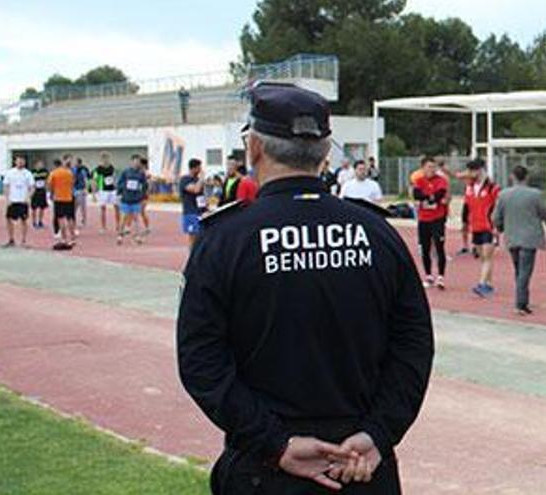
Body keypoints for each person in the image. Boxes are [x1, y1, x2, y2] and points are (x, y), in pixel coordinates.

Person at [177, 83, 434, 495]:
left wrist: (274, 442)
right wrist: (377, 434)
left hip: (268, 471)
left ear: (255, 147)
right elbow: (413, 346)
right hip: (361, 466)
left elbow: (201, 361)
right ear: (326, 150)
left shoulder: (225, 239)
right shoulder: (378, 234)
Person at [493, 165, 546, 316]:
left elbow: (496, 217)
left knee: (518, 270)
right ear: (526, 177)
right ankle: (521, 303)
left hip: (512, 236)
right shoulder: (535, 195)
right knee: (525, 271)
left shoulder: (504, 195)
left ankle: (522, 299)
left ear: (512, 177)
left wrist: (501, 227)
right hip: (529, 238)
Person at [465, 159, 501, 297]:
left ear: (479, 170)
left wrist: (497, 225)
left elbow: (499, 205)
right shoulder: (469, 187)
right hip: (475, 227)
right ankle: (489, 283)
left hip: (488, 226)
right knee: (482, 257)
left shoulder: (492, 187)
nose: (469, 173)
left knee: (487, 256)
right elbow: (468, 207)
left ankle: (482, 284)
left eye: (471, 170)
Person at [412, 156, 449, 289]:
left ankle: (441, 276)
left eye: (434, 167)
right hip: (423, 219)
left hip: (437, 218)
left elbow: (440, 194)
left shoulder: (441, 180)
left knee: (439, 246)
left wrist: (429, 198)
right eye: (429, 167)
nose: (432, 170)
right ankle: (428, 275)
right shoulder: (419, 181)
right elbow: (417, 194)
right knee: (424, 248)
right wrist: (430, 198)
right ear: (423, 168)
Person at [2, 155, 35, 248]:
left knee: (23, 220)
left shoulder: (28, 173)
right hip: (12, 200)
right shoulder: (10, 173)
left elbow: (32, 187)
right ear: (15, 162)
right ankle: (11, 239)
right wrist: (7, 198)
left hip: (23, 201)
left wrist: (28, 197)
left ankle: (23, 240)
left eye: (22, 160)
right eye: (18, 160)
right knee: (8, 219)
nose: (20, 162)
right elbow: (6, 186)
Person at [116, 155, 149, 245]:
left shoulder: (141, 173)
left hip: (136, 199)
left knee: (136, 218)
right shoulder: (126, 172)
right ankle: (120, 235)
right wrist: (120, 192)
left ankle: (137, 236)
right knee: (123, 218)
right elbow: (120, 183)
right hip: (126, 198)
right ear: (131, 162)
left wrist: (142, 195)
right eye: (135, 161)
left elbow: (145, 185)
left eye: (138, 162)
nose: (136, 163)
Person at [47, 156, 76, 250]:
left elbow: (50, 185)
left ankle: (64, 238)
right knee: (70, 218)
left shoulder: (54, 173)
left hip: (59, 198)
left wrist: (51, 194)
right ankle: (72, 238)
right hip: (69, 197)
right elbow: (72, 184)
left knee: (61, 219)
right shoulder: (69, 173)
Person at [179, 158, 207, 249]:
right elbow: (195, 190)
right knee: (193, 237)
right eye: (199, 168)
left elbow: (201, 195)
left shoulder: (198, 180)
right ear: (193, 168)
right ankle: (192, 258)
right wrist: (202, 179)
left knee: (201, 237)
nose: (200, 170)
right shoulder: (185, 179)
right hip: (190, 212)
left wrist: (206, 208)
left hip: (200, 212)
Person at [92, 152, 120, 234]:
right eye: (104, 158)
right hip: (103, 191)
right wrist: (94, 194)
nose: (106, 160)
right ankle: (103, 227)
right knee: (103, 209)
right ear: (101, 159)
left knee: (117, 207)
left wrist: (117, 188)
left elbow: (114, 178)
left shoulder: (112, 167)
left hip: (112, 190)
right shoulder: (97, 169)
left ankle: (118, 225)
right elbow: (94, 181)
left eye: (107, 158)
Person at [72, 157, 91, 230]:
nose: (74, 163)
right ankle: (73, 220)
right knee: (74, 206)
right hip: (74, 189)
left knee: (82, 206)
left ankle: (83, 220)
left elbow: (86, 179)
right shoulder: (73, 169)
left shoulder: (84, 169)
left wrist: (86, 189)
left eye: (75, 162)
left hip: (81, 189)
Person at [30, 159, 50, 229]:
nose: (41, 165)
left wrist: (47, 190)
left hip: (42, 191)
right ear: (35, 165)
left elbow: (47, 180)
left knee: (42, 207)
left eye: (42, 164)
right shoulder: (32, 172)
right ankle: (34, 222)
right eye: (39, 164)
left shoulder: (45, 171)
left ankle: (40, 221)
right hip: (35, 191)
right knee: (34, 208)